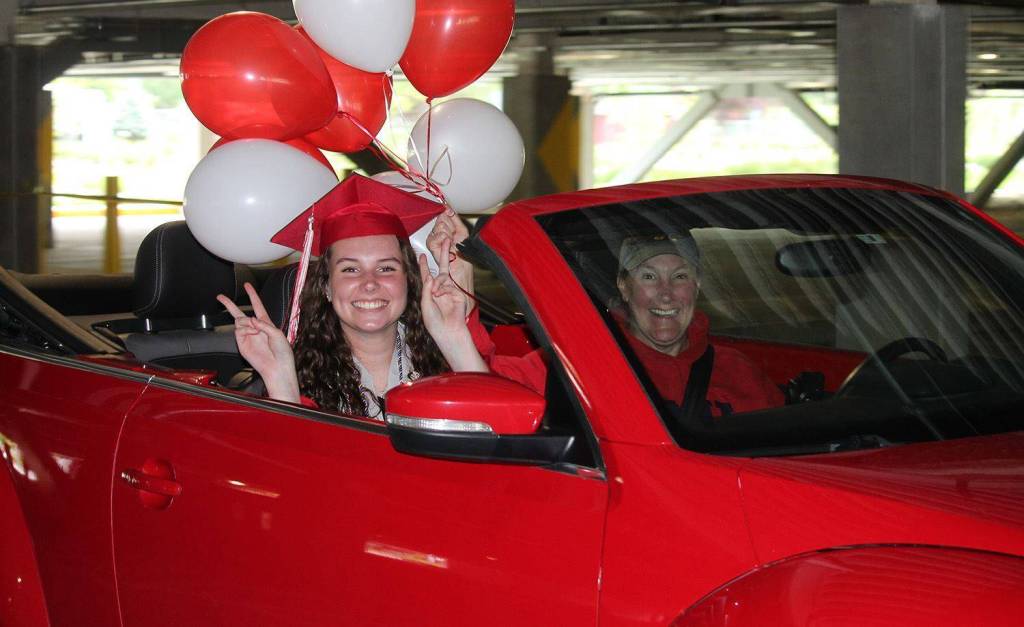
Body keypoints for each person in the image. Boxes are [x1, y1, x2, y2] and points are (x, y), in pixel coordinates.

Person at [218, 174, 521, 419]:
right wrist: (282, 381)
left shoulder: (454, 347)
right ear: (326, 286)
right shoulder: (299, 375)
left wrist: (455, 334)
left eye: (386, 268)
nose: (370, 283)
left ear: (408, 280)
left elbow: (503, 432)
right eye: (350, 270)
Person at [615, 233, 783, 417]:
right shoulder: (601, 370)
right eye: (649, 276)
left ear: (697, 285)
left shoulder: (739, 371)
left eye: (679, 276)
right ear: (624, 287)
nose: (665, 294)